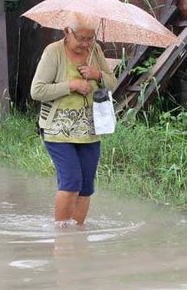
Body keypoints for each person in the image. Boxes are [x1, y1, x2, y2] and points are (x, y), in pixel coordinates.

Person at [30, 22, 116, 228]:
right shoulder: (53, 52)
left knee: (86, 187)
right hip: (58, 130)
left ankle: (76, 235)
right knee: (71, 182)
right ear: (66, 31)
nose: (86, 43)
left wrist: (97, 75)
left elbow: (112, 83)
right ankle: (61, 234)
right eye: (81, 38)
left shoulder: (95, 51)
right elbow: (37, 91)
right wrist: (71, 85)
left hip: (90, 130)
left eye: (90, 38)